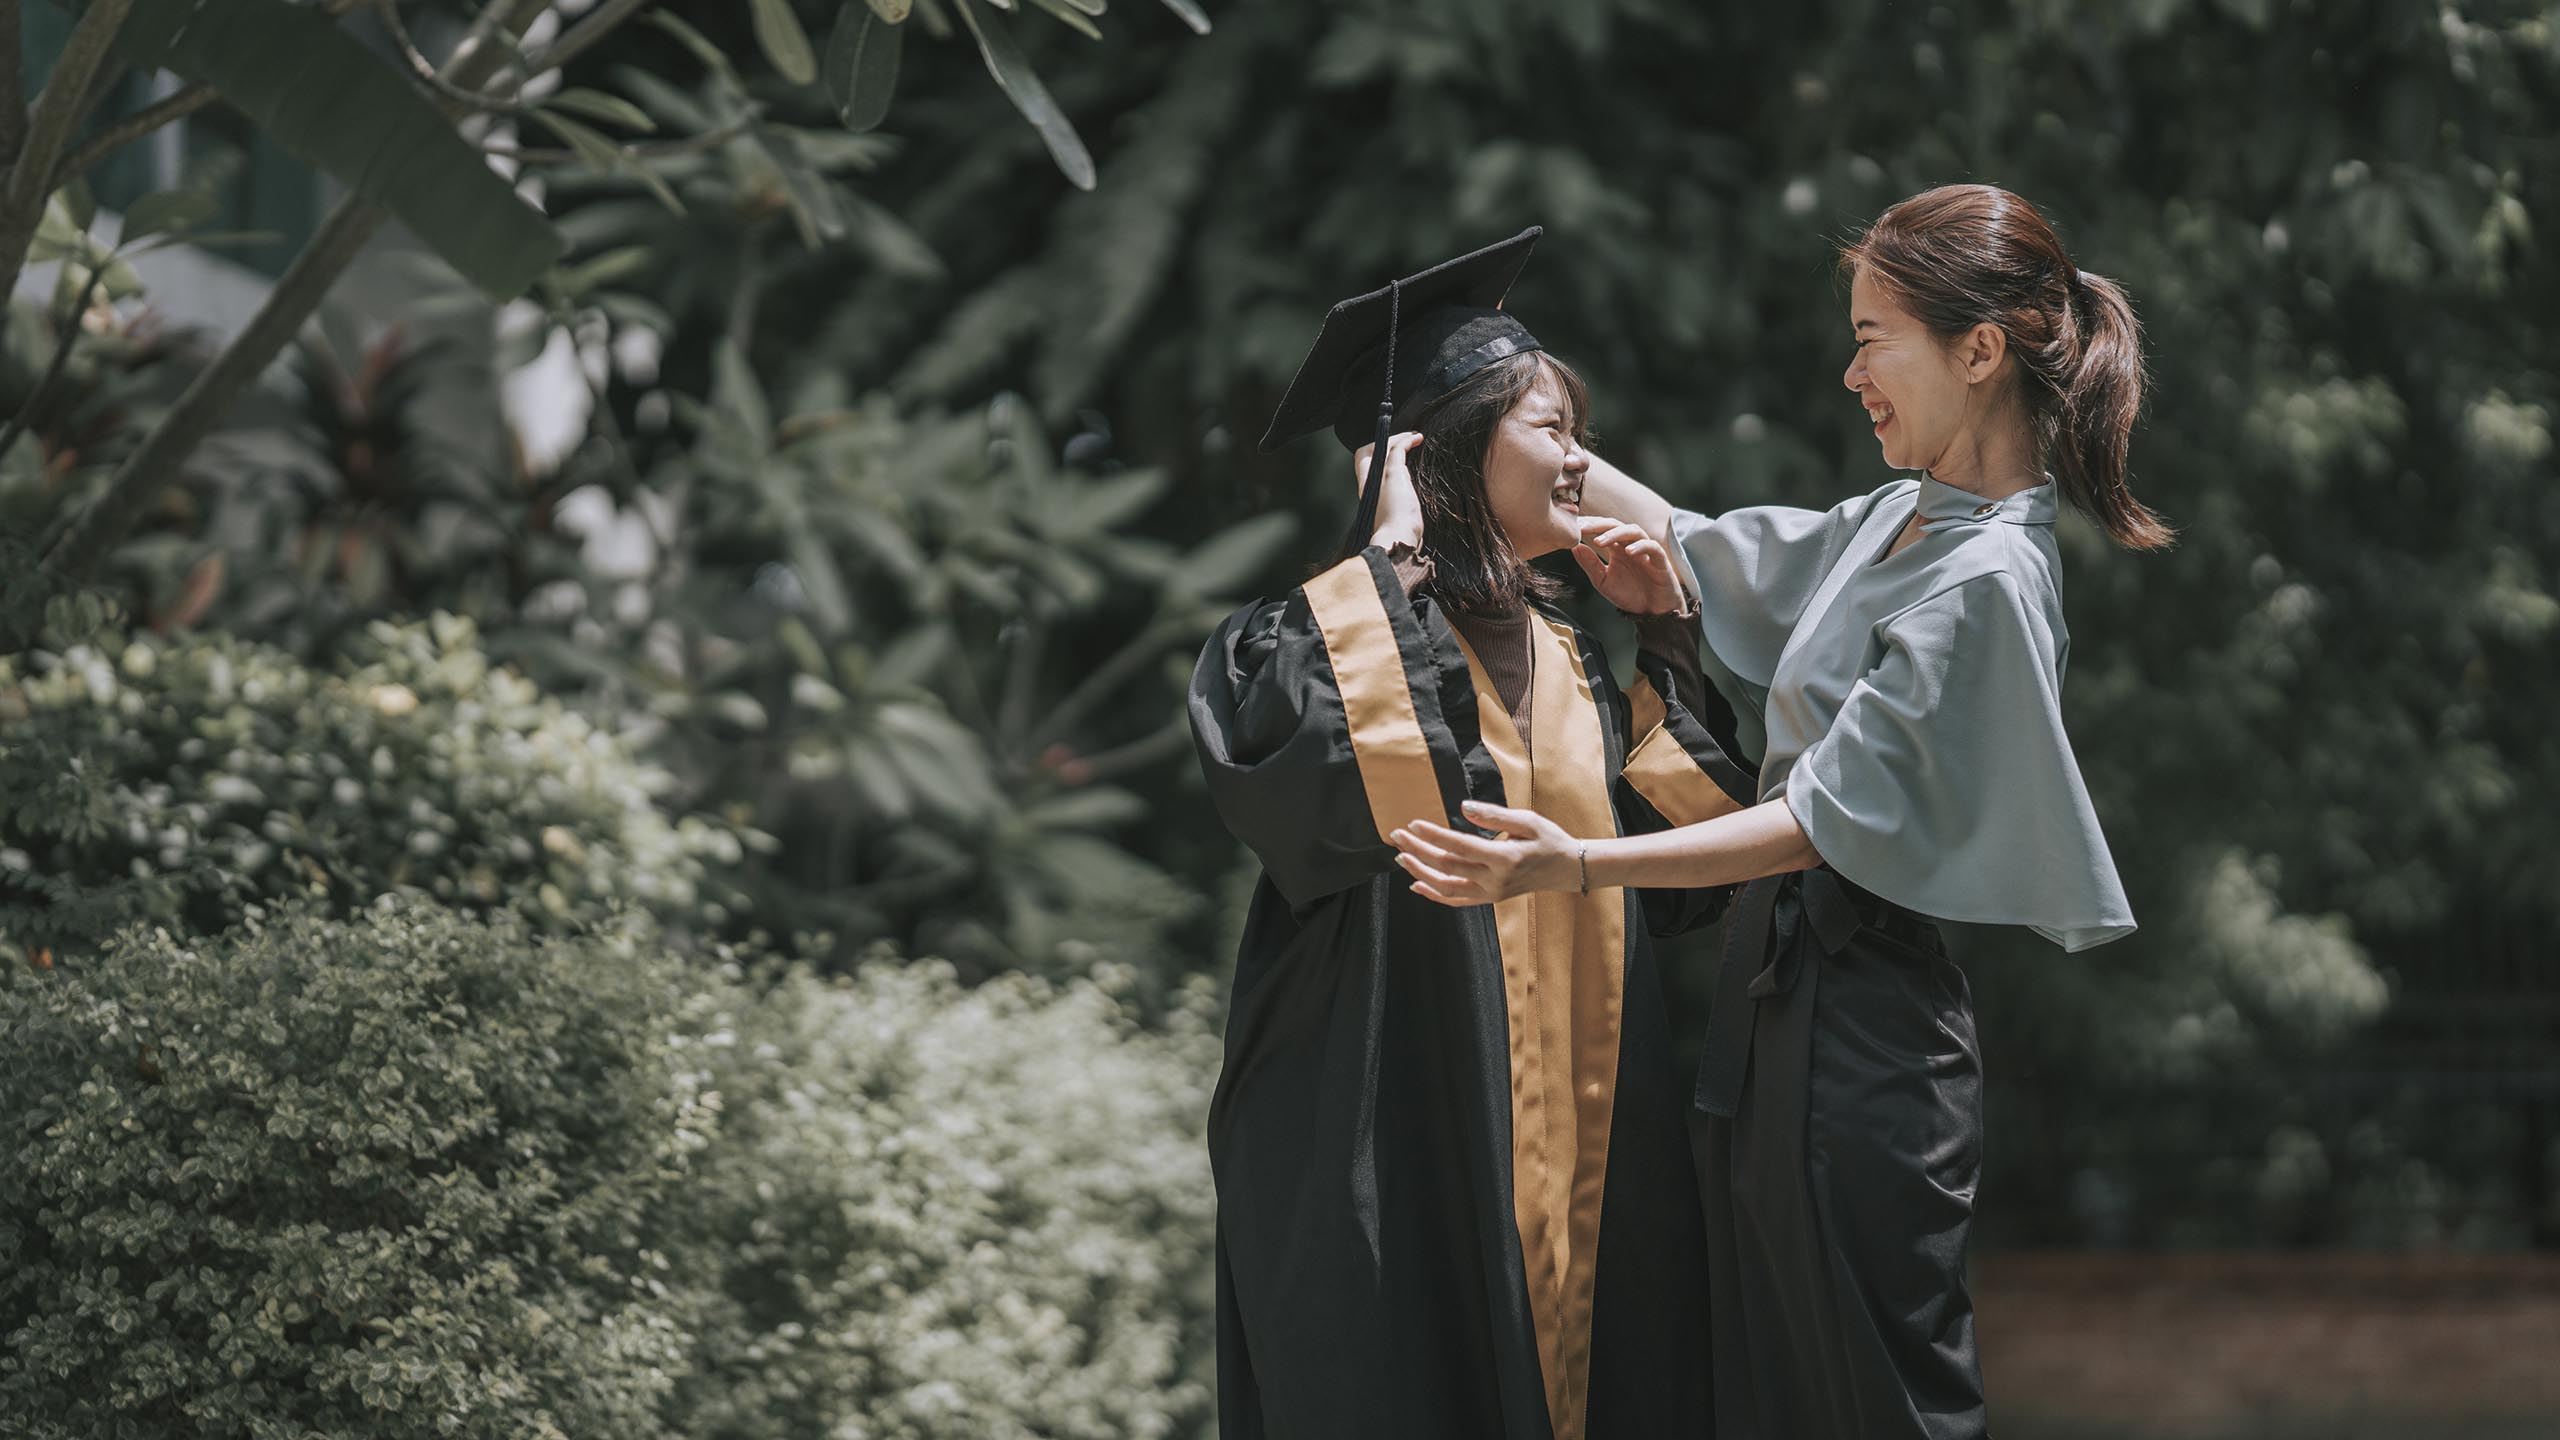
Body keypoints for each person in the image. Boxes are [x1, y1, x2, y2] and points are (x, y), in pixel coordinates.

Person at [1387, 184, 2169, 1440]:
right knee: (1771, 1399)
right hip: (1782, 1011)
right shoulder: (1904, 519)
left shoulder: (1987, 579)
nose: (1849, 367)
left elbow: (1819, 818)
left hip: (1866, 1027)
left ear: (1978, 350)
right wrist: (1517, 422)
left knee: (1873, 1409)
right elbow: (1697, 546)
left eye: (1872, 335)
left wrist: (1573, 863)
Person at [1187, 229, 1745, 1440]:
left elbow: (1689, 875)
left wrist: (1664, 643)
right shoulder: (1300, 640)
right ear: (1444, 446)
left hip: (1597, 1154)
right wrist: (1387, 556)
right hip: (1391, 1139)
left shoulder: (1572, 657)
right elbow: (1315, 798)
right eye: (1551, 426)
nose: (1580, 459)